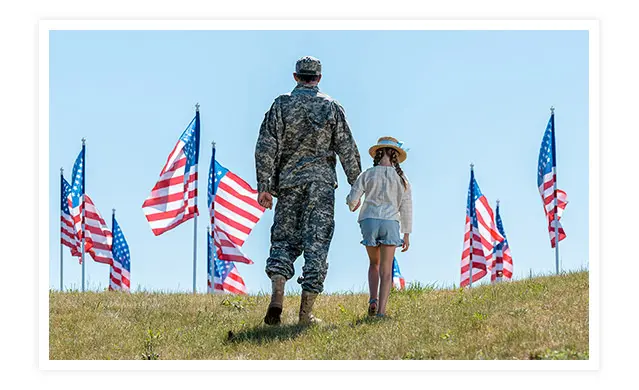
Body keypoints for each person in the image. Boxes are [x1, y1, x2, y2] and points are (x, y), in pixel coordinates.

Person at [255, 56, 362, 325]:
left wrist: (264, 186)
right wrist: (357, 184)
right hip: (321, 186)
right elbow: (347, 148)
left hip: (289, 185)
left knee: (282, 241)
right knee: (317, 246)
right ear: (319, 78)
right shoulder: (331, 107)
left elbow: (265, 146)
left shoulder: (281, 105)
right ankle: (305, 315)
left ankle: (277, 298)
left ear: (295, 77)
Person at [346, 136, 412, 317]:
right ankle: (381, 312)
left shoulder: (367, 174)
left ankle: (372, 300)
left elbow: (353, 197)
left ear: (378, 153)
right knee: (386, 269)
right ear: (395, 156)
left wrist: (353, 205)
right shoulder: (402, 180)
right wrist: (406, 234)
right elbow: (406, 207)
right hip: (390, 222)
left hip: (369, 220)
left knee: (373, 263)